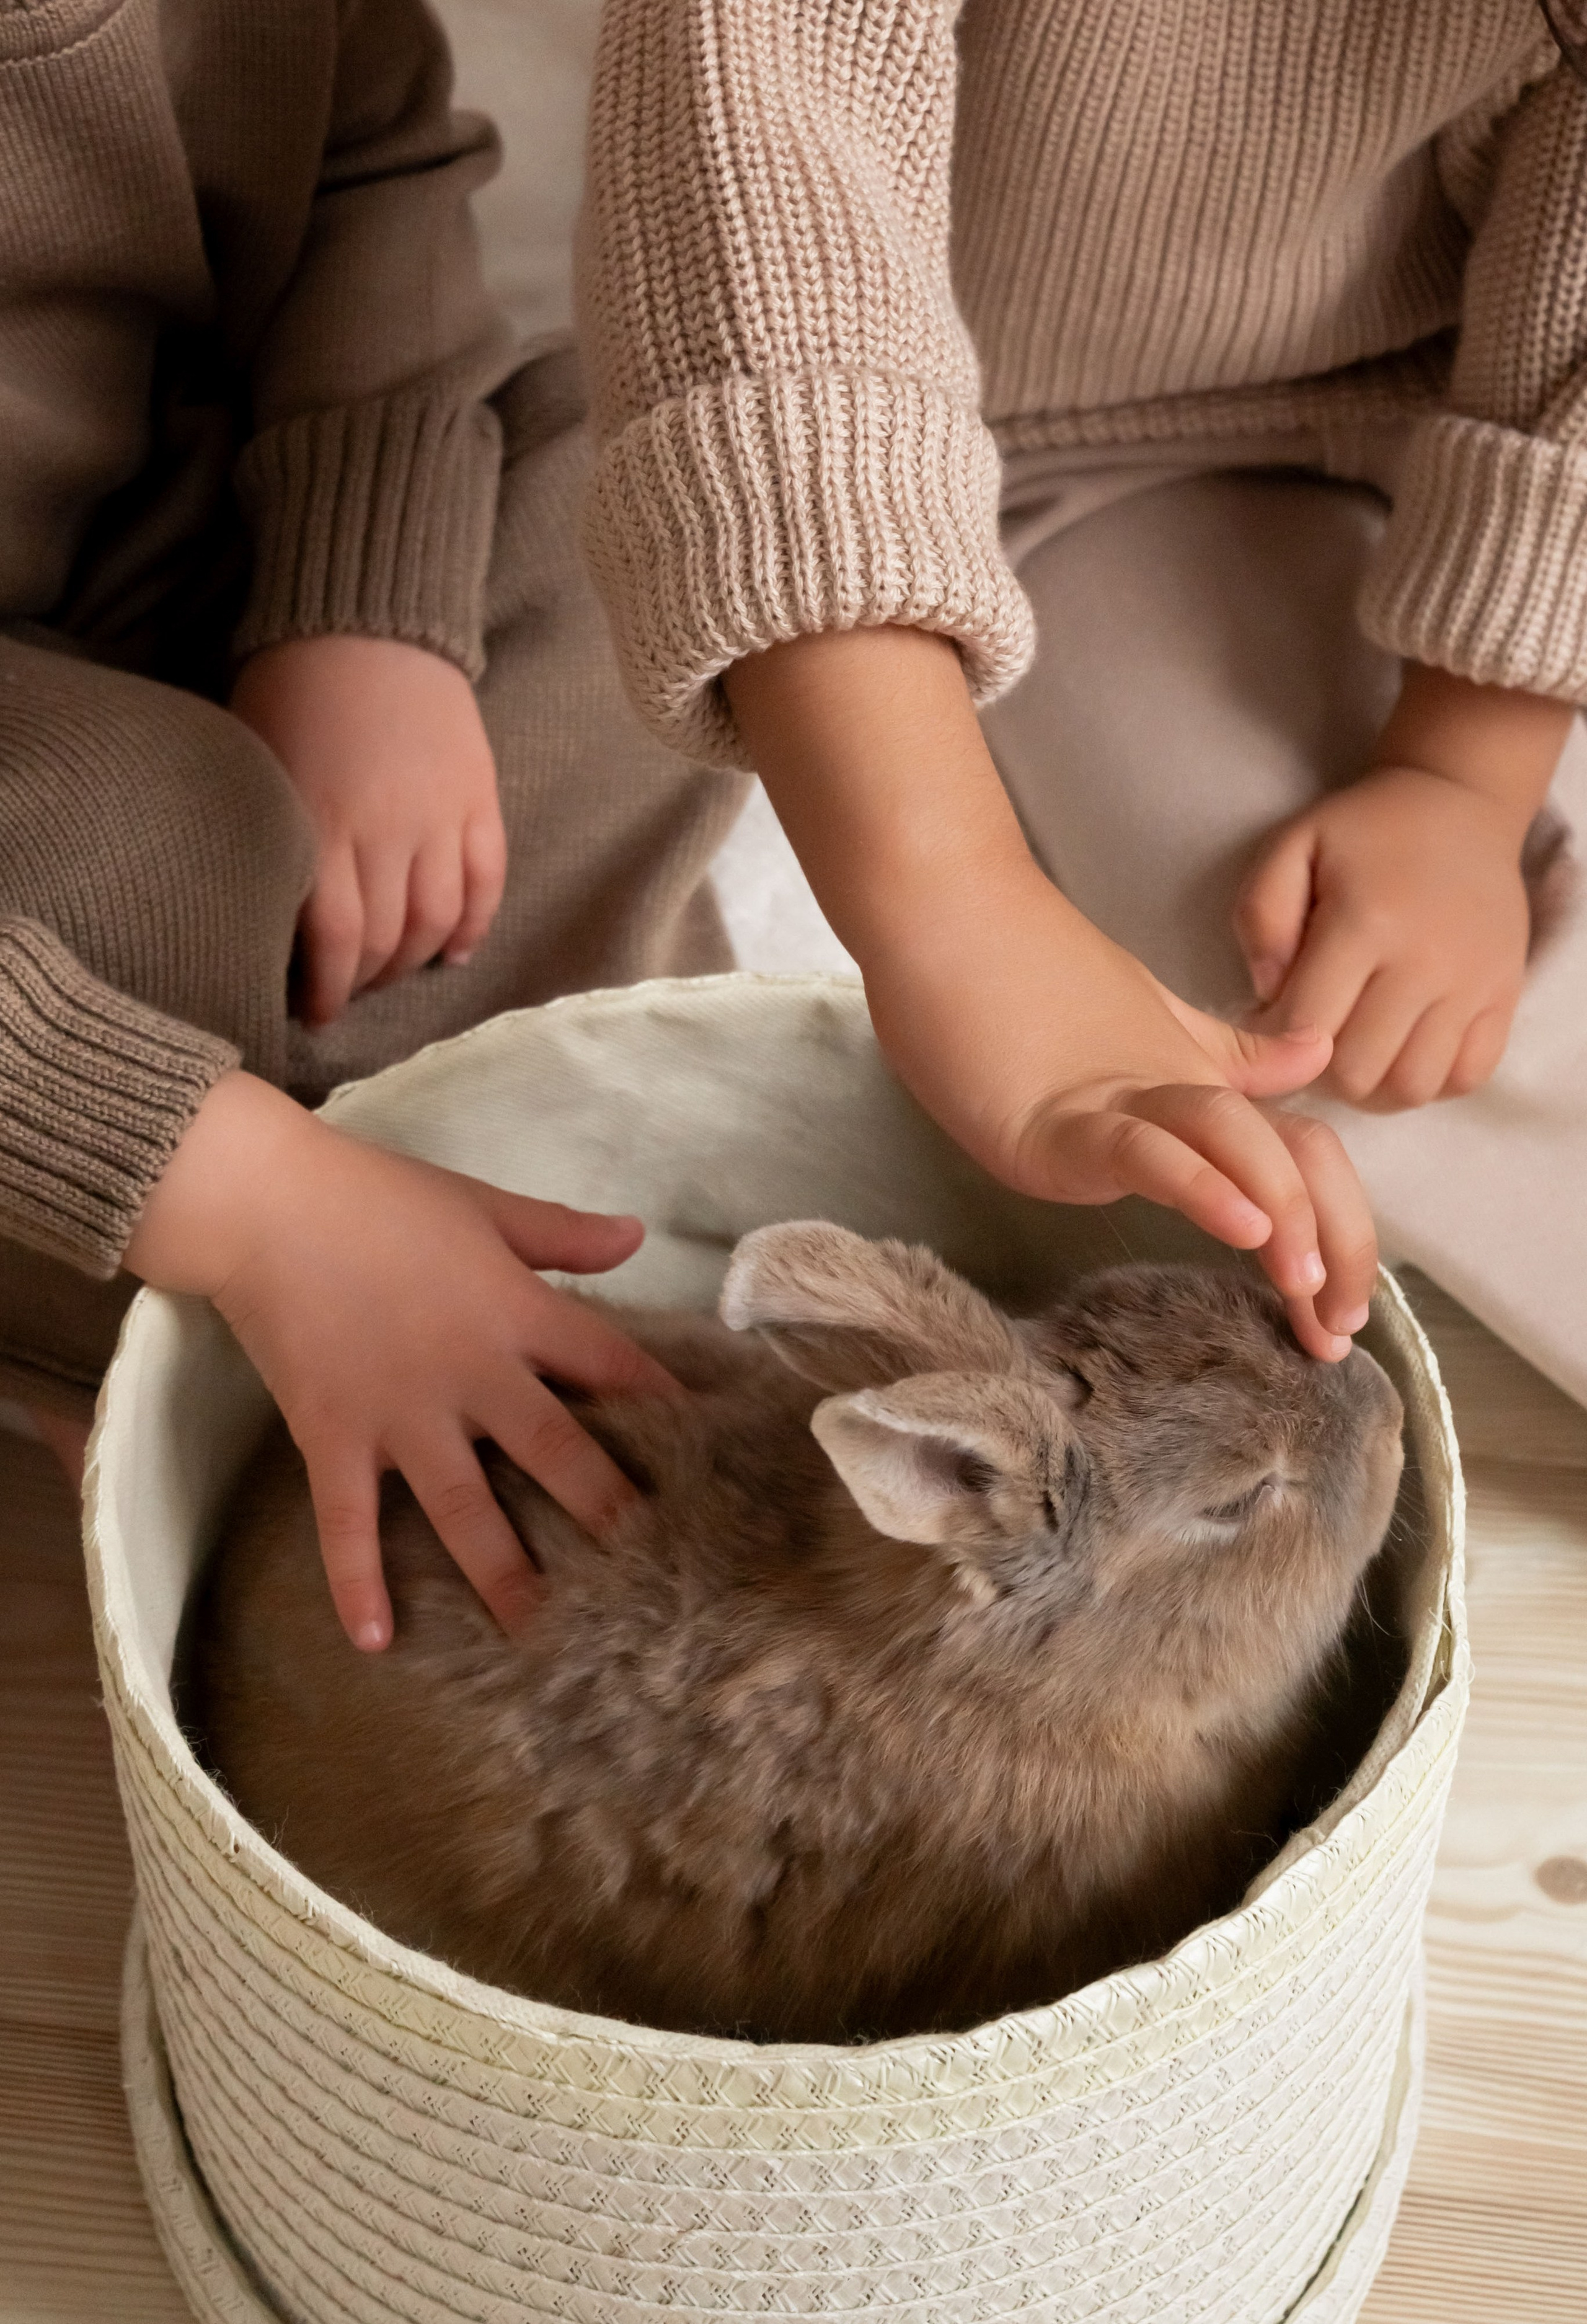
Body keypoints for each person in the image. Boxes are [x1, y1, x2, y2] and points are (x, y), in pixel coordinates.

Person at [575, 0, 1587, 1408]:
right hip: (998, 440)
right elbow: (760, 190)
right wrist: (952, 901)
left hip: (1456, 424)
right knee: (1305, 1018)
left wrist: (1467, 770)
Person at [0, 0, 745, 1647]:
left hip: (174, 516)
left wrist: (366, 614)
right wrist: (233, 1187)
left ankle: (439, 1178)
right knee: (164, 832)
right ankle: (146, 1319)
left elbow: (370, 157)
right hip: (69, 826)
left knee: (654, 528)